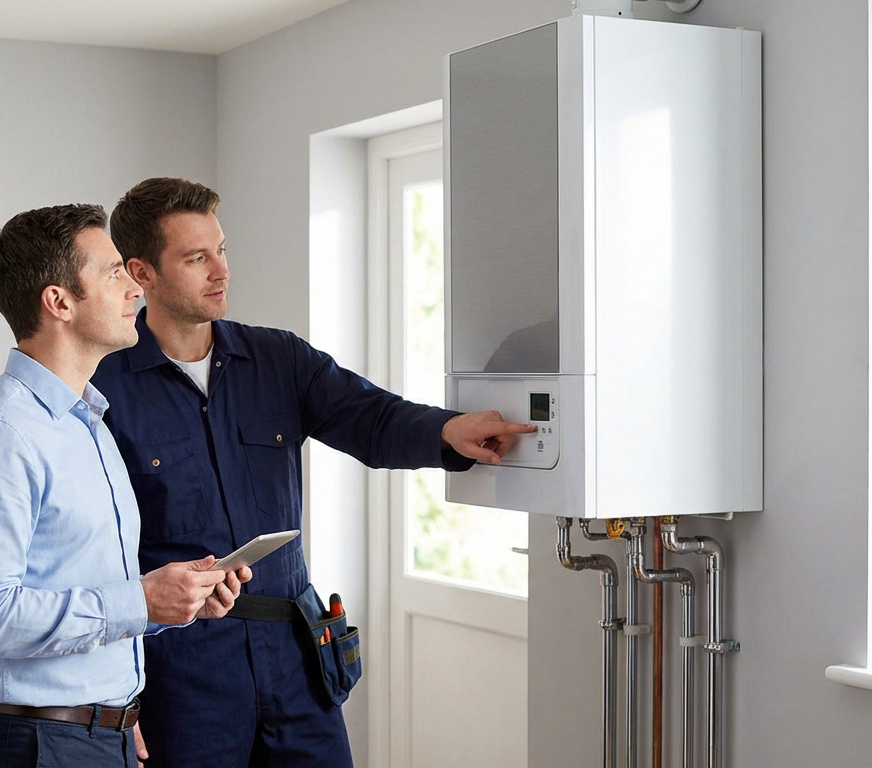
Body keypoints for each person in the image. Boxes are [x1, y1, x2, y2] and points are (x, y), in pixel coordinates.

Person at [90, 178, 537, 767]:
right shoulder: (103, 388)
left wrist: (447, 431)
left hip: (297, 657)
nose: (220, 270)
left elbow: (371, 418)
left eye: (221, 250)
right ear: (142, 273)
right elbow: (87, 550)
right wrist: (111, 690)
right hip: (181, 671)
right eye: (197, 258)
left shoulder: (277, 359)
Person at [0, 203, 251, 768]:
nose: (134, 286)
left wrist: (171, 603)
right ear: (59, 302)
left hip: (102, 735)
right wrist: (140, 599)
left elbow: (76, 588)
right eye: (112, 273)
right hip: (30, 745)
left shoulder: (87, 422)